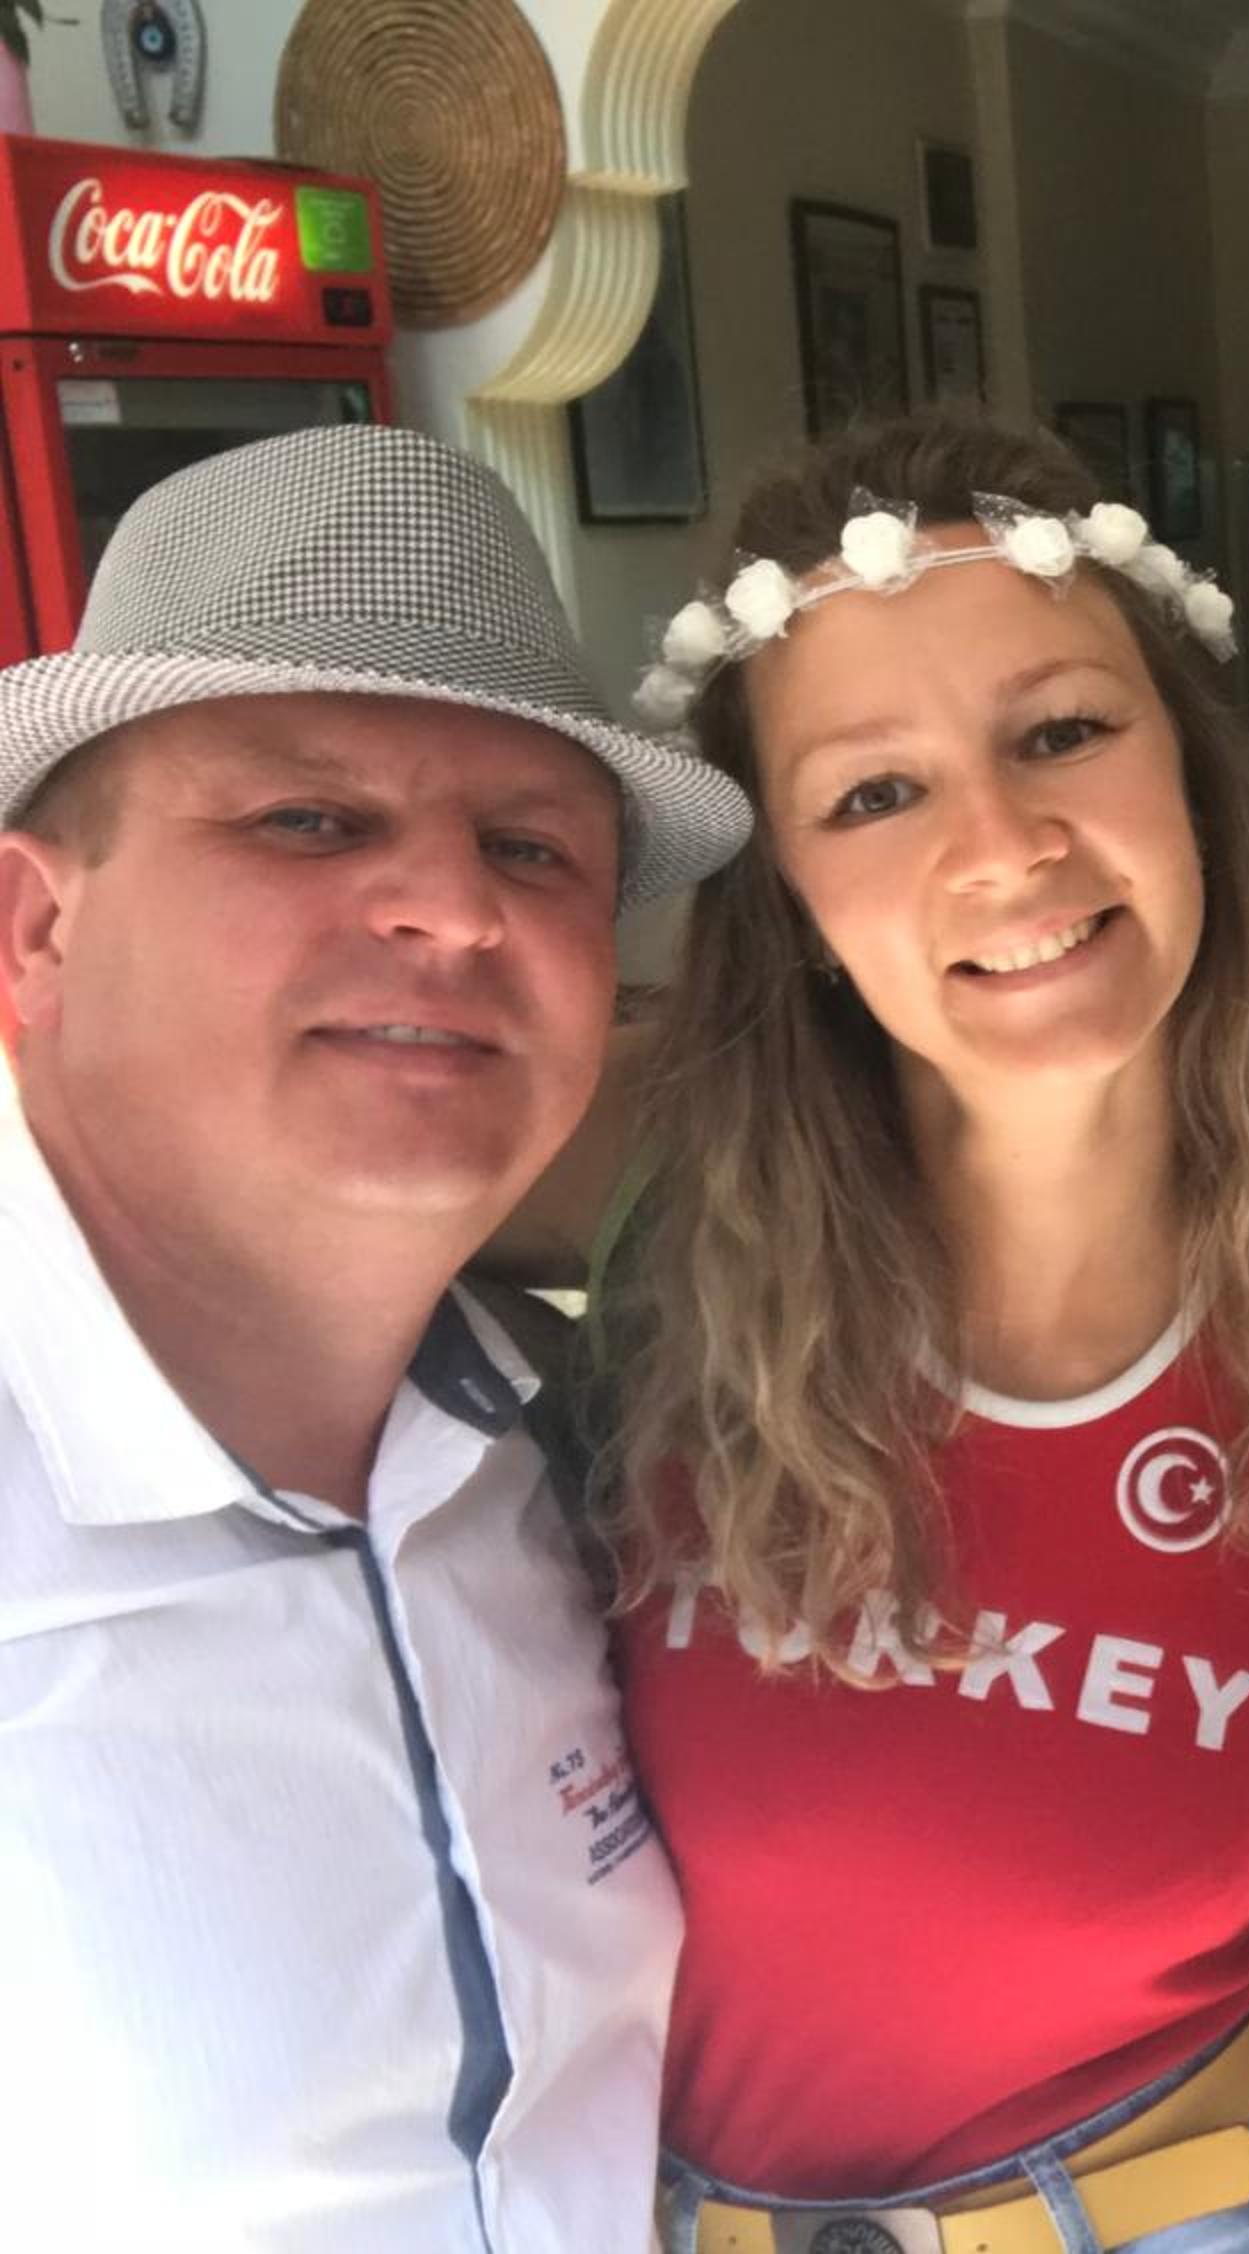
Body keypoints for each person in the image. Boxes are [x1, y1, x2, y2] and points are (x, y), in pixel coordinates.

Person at [603, 412, 1249, 2253]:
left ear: (1195, 775)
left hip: (1204, 2210)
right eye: (874, 793)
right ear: (790, 898)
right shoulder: (644, 1253)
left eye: (1063, 731)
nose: (1004, 845)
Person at [0, 424, 751, 2245]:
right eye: (307, 819)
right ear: (37, 923)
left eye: (532, 847)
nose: (458, 906)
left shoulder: (559, 1456)